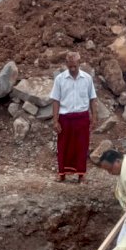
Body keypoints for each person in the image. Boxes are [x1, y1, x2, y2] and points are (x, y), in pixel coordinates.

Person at [50, 52, 98, 183]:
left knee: (82, 146)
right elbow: (56, 101)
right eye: (70, 66)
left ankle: (81, 174)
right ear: (66, 64)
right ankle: (62, 173)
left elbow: (92, 99)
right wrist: (55, 121)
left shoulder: (87, 78)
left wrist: (94, 118)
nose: (72, 69)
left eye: (75, 66)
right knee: (63, 146)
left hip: (82, 118)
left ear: (79, 64)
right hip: (65, 118)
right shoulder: (60, 79)